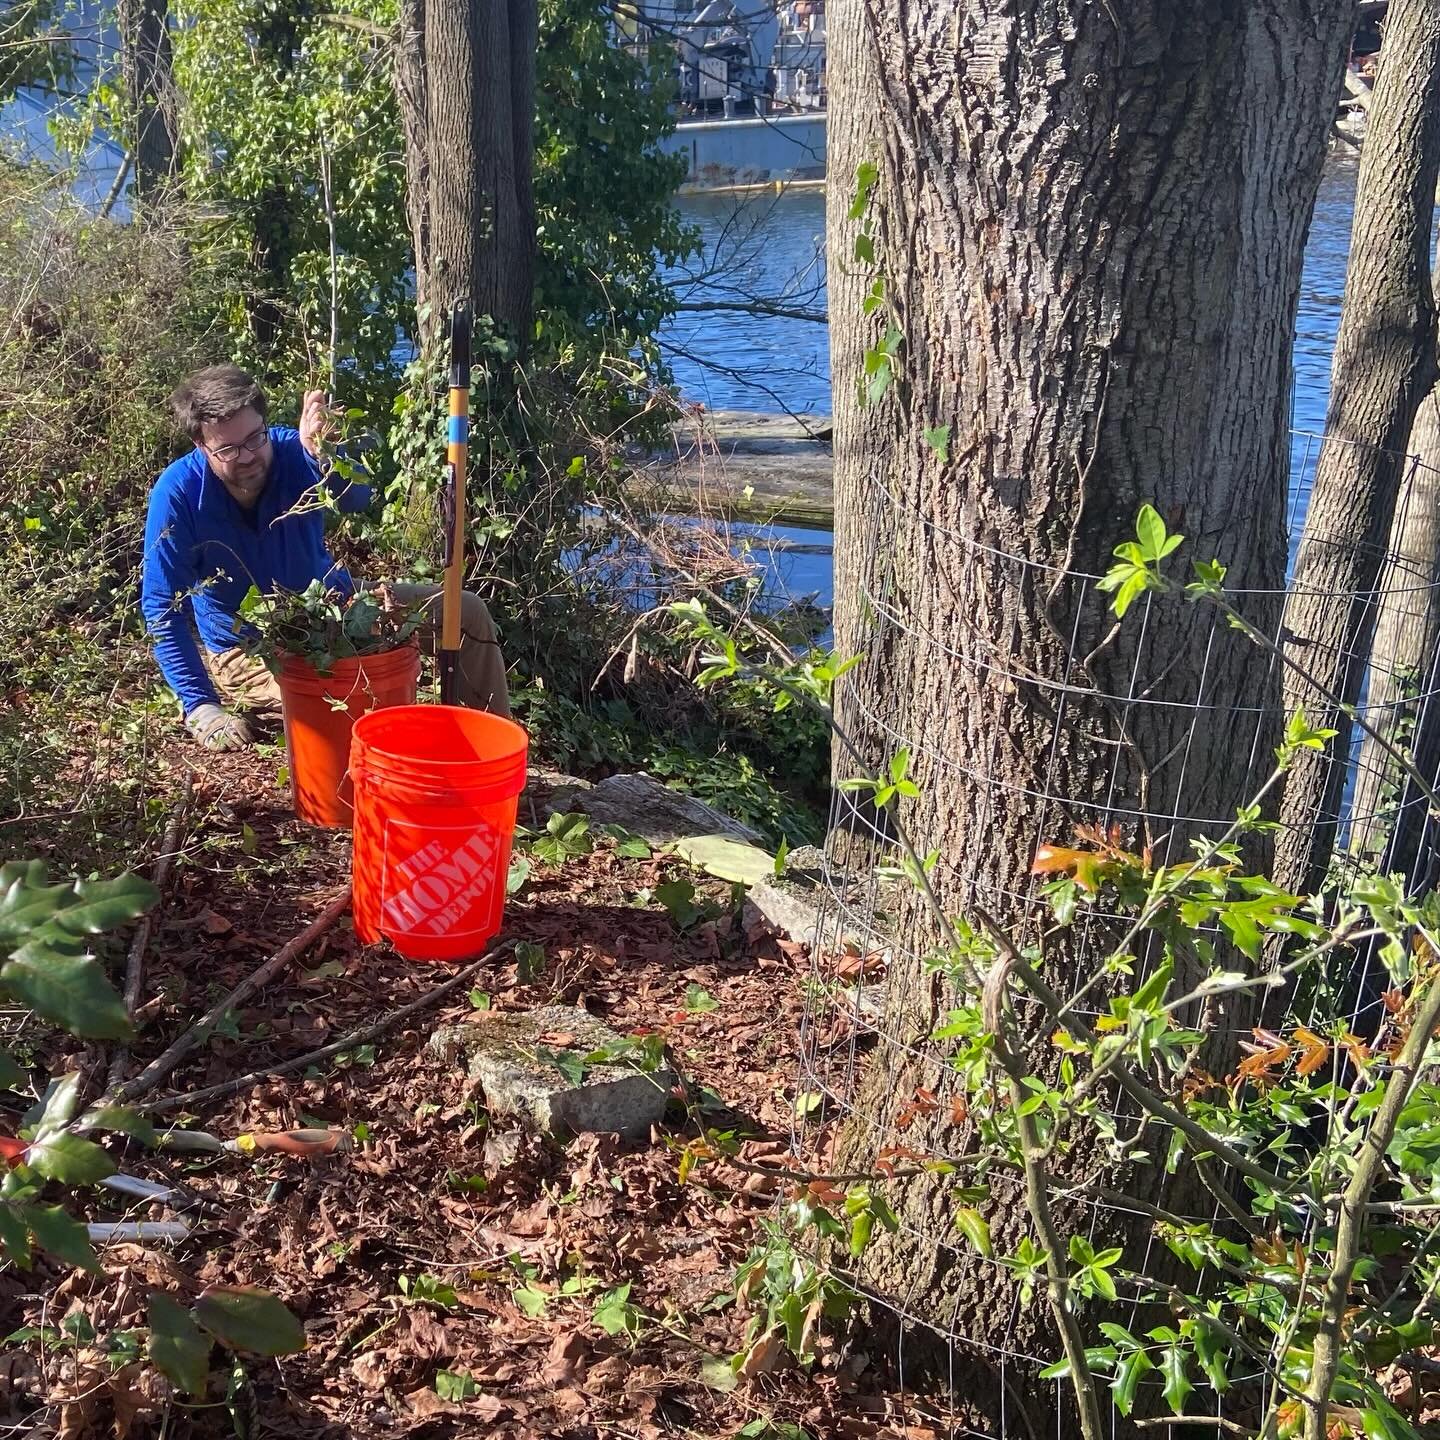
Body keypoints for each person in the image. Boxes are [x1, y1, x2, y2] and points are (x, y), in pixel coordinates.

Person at [141, 364, 510, 752]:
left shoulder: (295, 449)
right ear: (201, 446)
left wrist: (328, 455)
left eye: (255, 439)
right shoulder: (178, 494)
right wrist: (200, 705)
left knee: (464, 612)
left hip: (339, 604)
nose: (248, 456)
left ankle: (490, 754)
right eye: (228, 450)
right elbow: (161, 606)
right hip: (249, 646)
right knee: (345, 693)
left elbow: (357, 500)